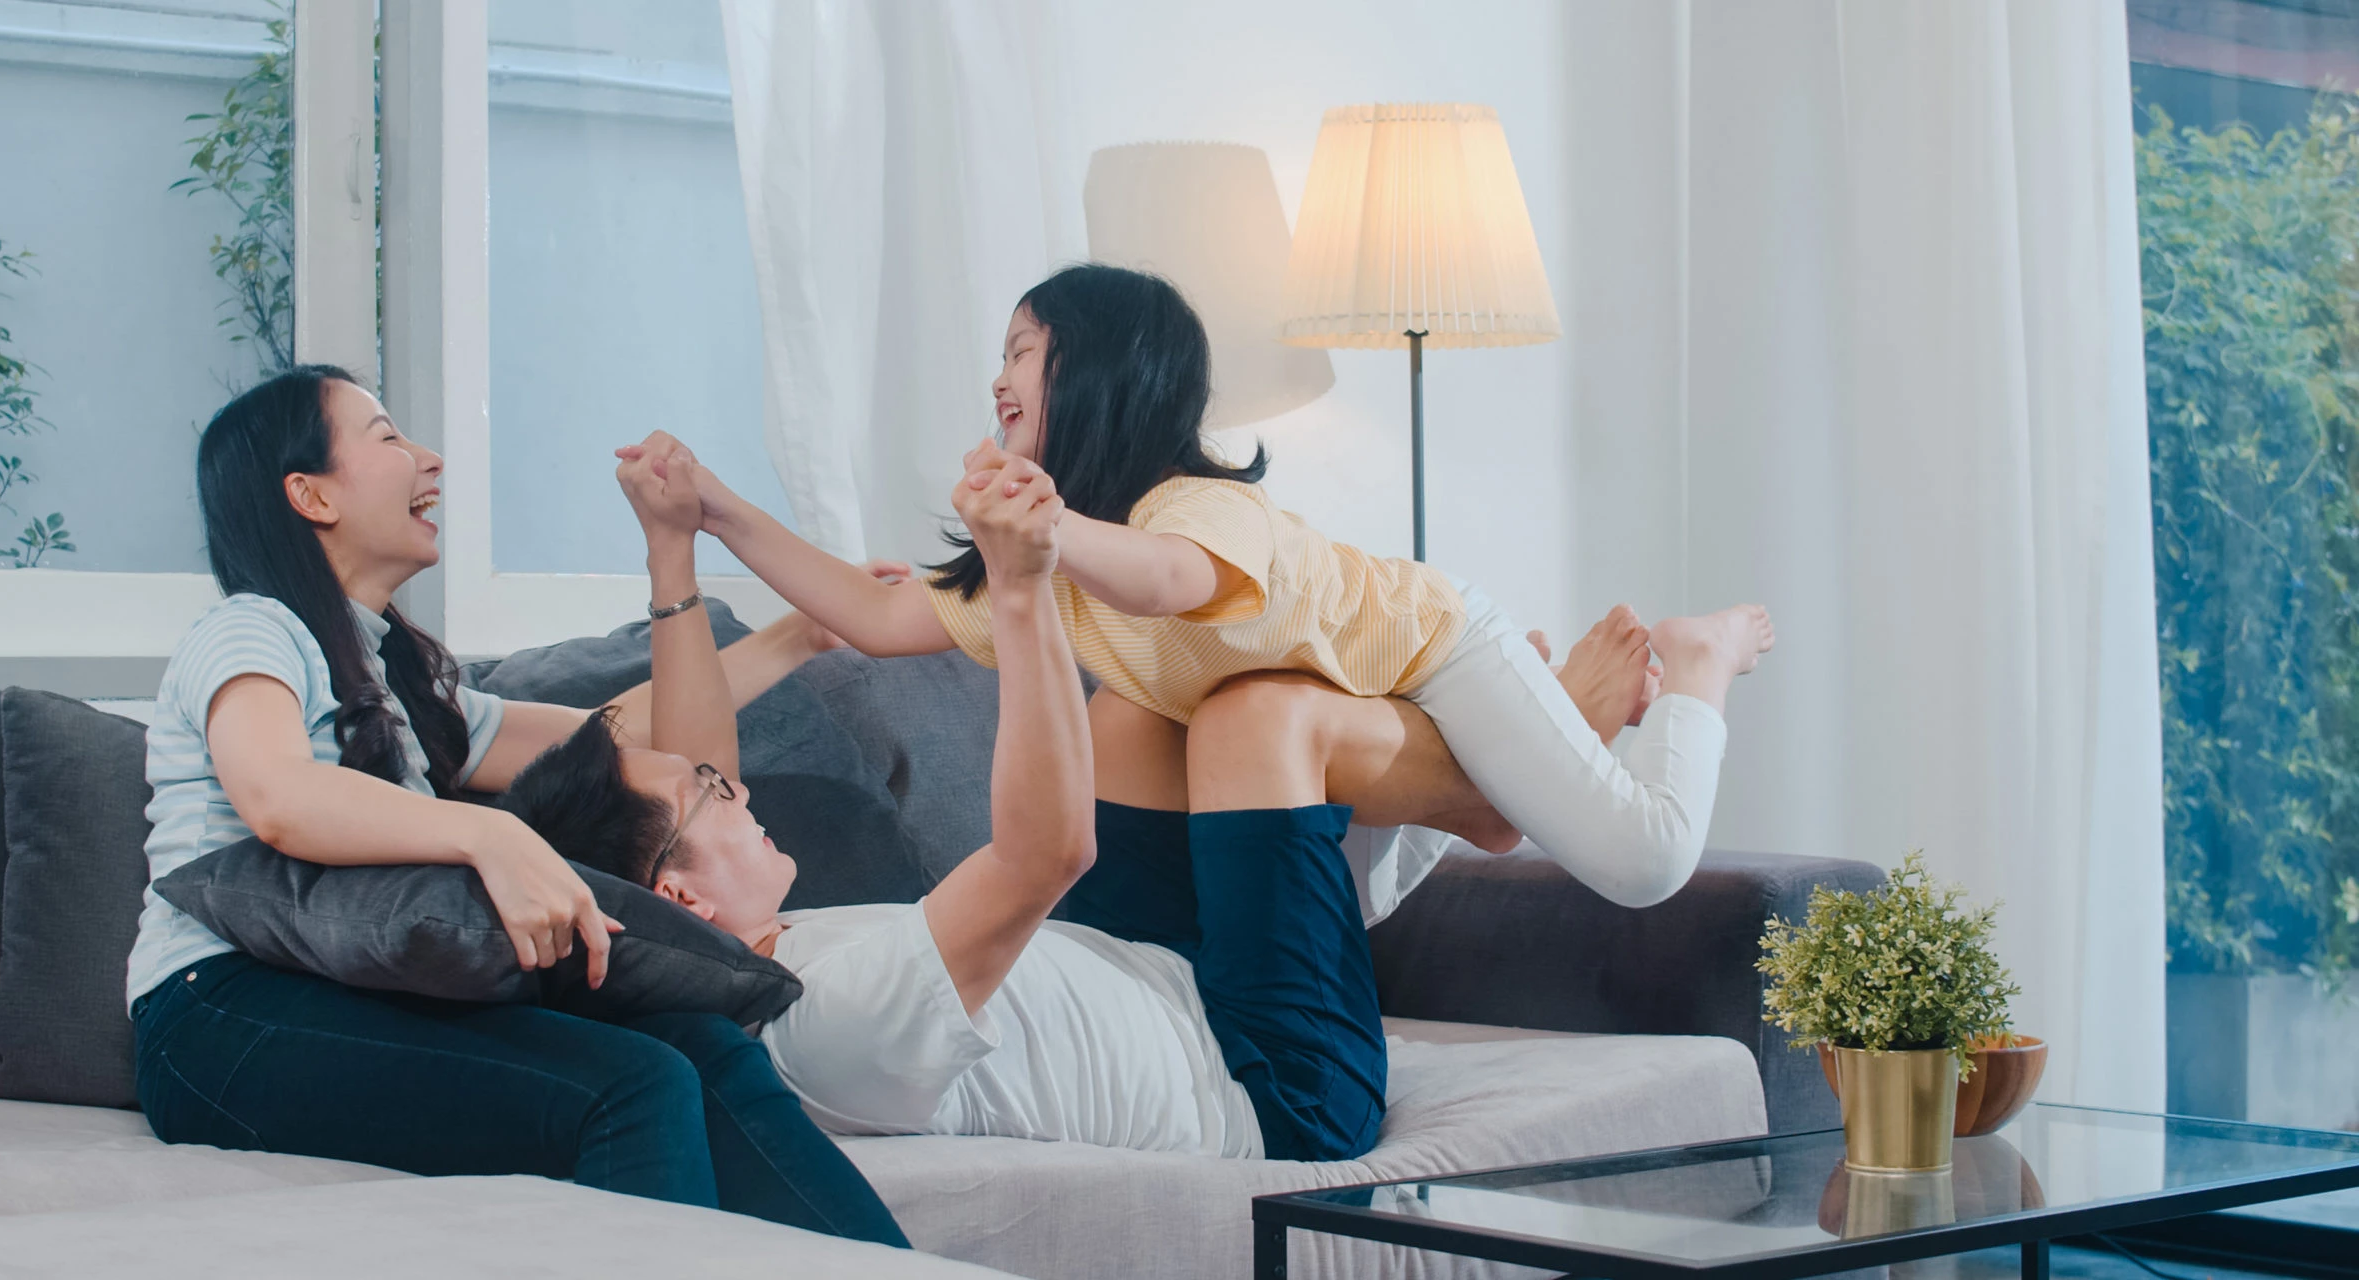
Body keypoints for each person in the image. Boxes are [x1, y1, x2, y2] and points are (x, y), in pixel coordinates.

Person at [502, 430, 1661, 1162]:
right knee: (1265, 717)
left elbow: (692, 773)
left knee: (1139, 716)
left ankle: (1478, 788)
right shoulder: (829, 1006)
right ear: (683, 896)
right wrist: (1020, 586)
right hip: (1277, 1084)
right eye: (711, 800)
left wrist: (676, 540)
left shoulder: (730, 959)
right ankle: (1495, 779)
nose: (732, 784)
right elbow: (1045, 848)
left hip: (1163, 965)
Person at [654, 263, 1773, 914]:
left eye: (1021, 350)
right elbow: (875, 613)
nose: (996, 377)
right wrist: (717, 511)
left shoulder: (1190, 508)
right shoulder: (1055, 562)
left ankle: (1701, 656)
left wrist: (1044, 533)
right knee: (1349, 910)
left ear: (1099, 374)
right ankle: (1502, 777)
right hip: (1310, 726)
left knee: (1643, 860)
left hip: (1432, 654)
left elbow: (1170, 581)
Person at [129, 365, 906, 1247]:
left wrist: (798, 633)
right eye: (387, 438)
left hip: (352, 991)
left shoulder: (400, 682)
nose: (431, 460)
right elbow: (278, 796)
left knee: (703, 1046)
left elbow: (631, 739)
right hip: (216, 1017)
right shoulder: (251, 630)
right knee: (630, 1086)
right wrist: (485, 833)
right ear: (310, 494)